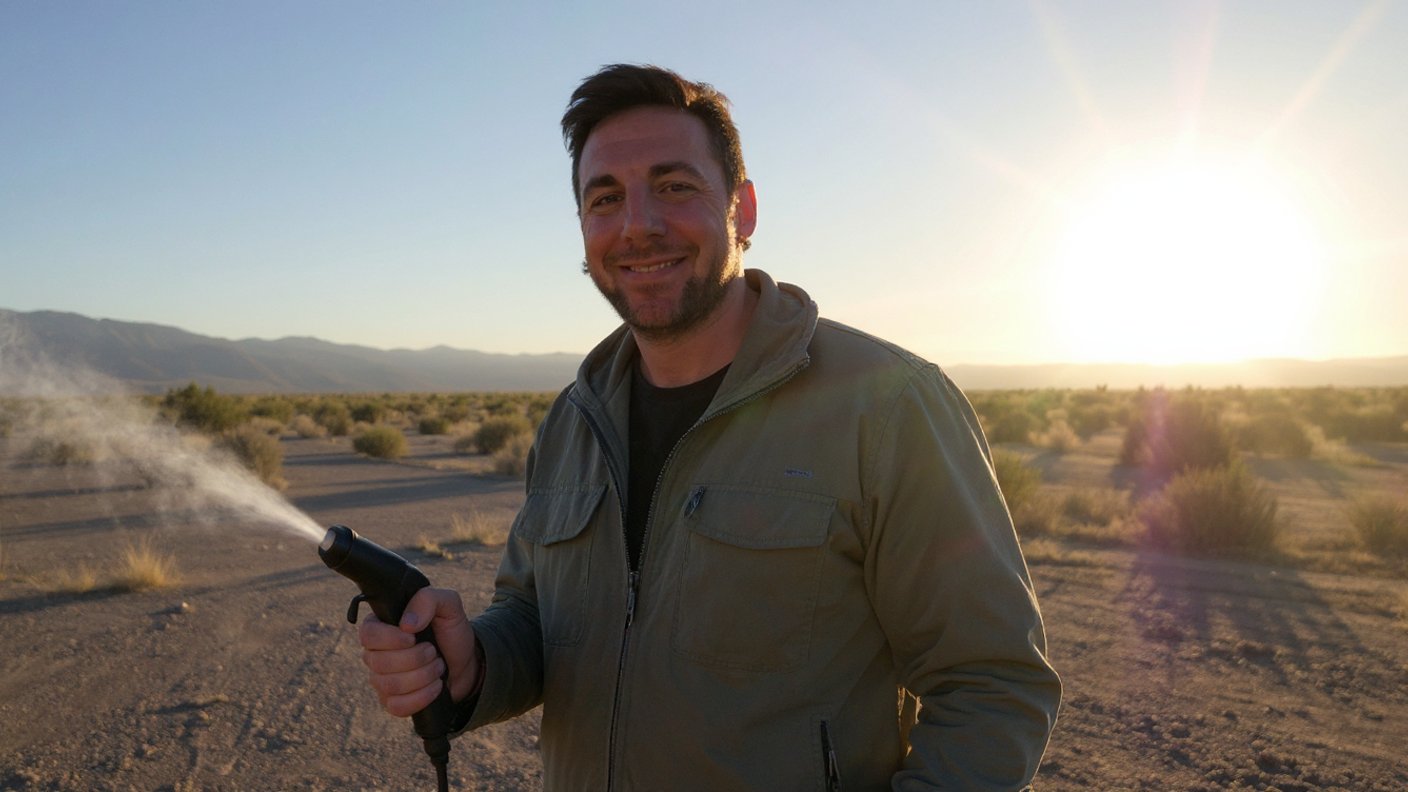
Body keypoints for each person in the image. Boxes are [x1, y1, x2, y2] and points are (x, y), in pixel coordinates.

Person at [359, 64, 1061, 791]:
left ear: (743, 210)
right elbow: (537, 617)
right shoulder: (573, 420)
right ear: (583, 231)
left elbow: (992, 684)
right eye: (606, 199)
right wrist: (472, 661)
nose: (637, 225)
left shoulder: (887, 405)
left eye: (675, 185)